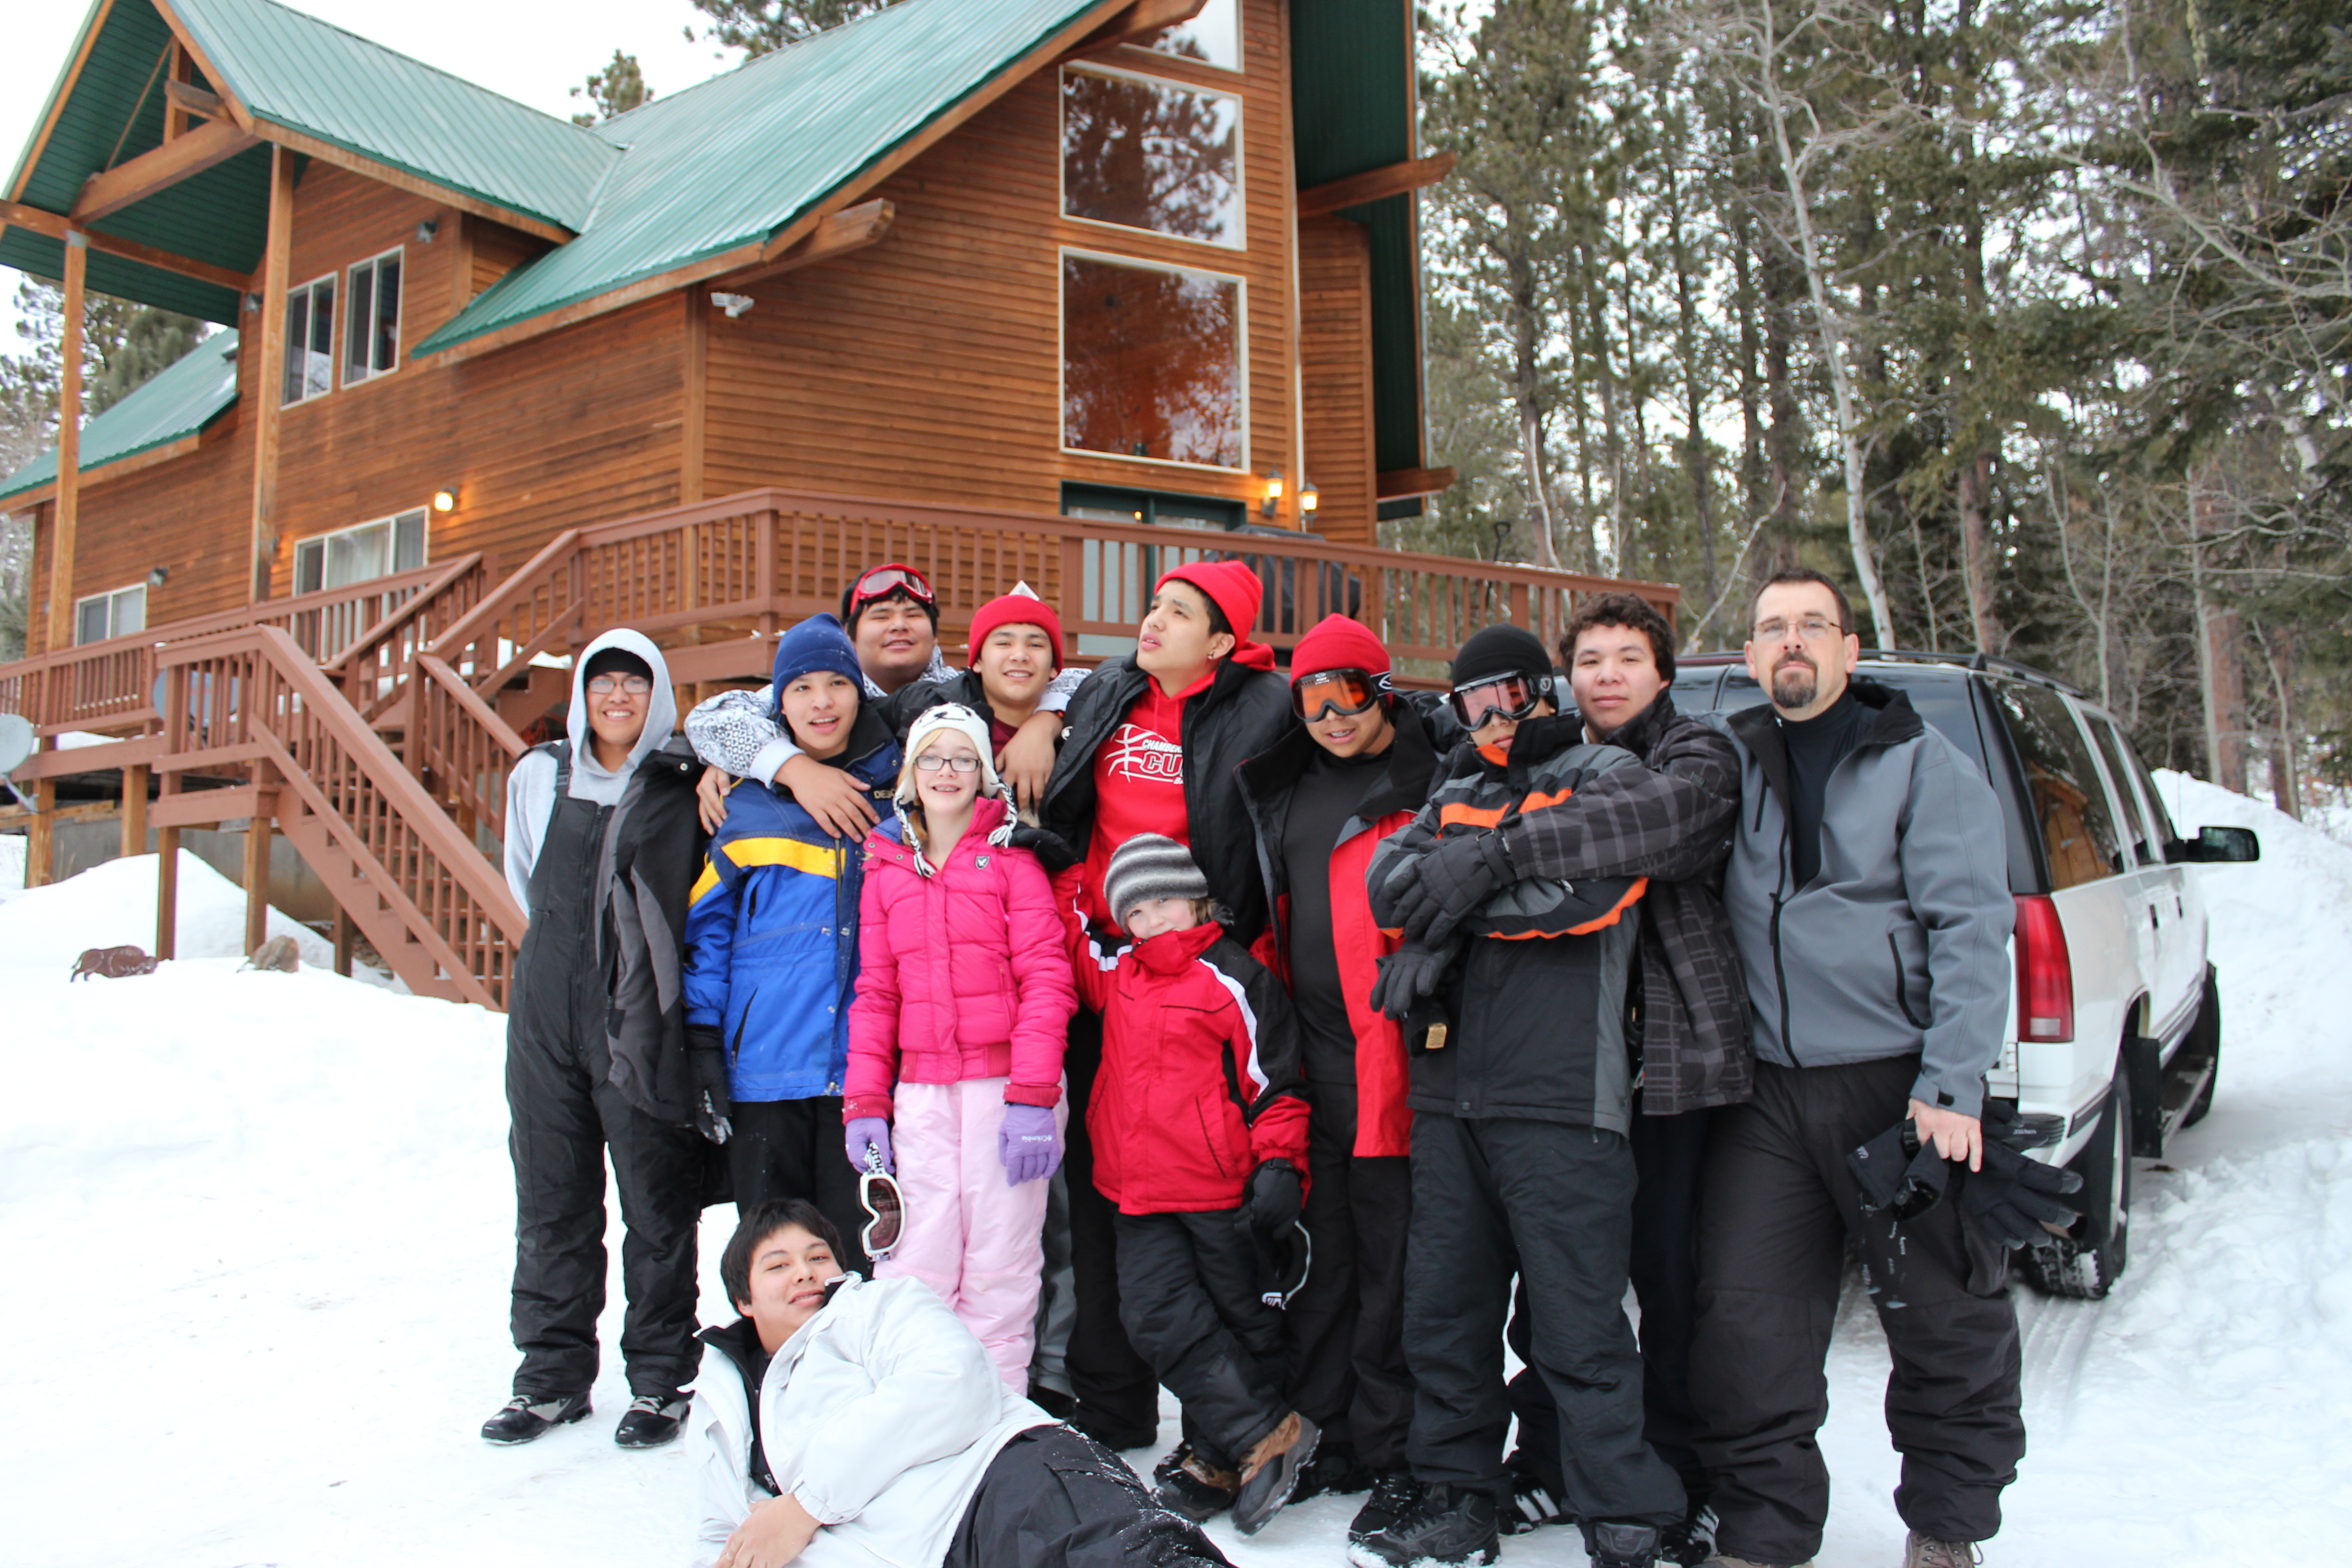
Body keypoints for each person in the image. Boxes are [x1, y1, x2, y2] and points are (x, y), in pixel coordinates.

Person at [1380, 593, 1747, 1564]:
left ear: (1540, 691)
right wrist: (1456, 884)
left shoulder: (1609, 770)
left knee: (1582, 1322)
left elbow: (1584, 893)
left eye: (1508, 693)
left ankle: (1627, 1507)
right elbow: (1392, 881)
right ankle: (1461, 1490)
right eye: (1472, 701)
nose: (1493, 714)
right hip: (1452, 1087)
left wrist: (1464, 892)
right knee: (1444, 1313)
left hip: (1568, 1091)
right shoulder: (1455, 783)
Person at [1686, 569, 2019, 1568]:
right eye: (1773, 628)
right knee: (1744, 1321)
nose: (1792, 643)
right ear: (1750, 657)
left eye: (1812, 627)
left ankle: (1948, 1529)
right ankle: (1764, 1531)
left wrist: (1953, 1082)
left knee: (1945, 1317)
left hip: (1899, 1085)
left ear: (1848, 648)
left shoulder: (1924, 760)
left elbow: (1972, 925)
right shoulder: (1732, 761)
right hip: (1767, 1093)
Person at [1031, 560, 1295, 1450]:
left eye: (1178, 613)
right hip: (1099, 977)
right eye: (1154, 606)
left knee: (1202, 1210)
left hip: (1195, 986)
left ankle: (1232, 1421)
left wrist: (1239, 955)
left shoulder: (1266, 704)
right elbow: (1037, 700)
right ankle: (1114, 1408)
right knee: (1106, 1197)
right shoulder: (1109, 689)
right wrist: (1039, 721)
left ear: (1224, 640)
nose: (1153, 622)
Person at [689, 1199, 1236, 1568]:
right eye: (778, 1266)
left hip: (1006, 1482)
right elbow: (727, 1536)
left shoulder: (875, 1305)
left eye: (818, 1257)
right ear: (743, 1300)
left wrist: (805, 1507)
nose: (806, 1273)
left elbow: (951, 1383)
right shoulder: (726, 1399)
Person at [1232, 613, 1442, 1543]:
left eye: (1350, 692)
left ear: (1383, 689)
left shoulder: (1427, 780)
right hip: (1309, 1055)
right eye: (1311, 698)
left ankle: (1397, 1446)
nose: (1330, 715)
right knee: (1324, 1258)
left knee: (1396, 1260)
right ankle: (1336, 1430)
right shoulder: (1281, 788)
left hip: (1397, 1056)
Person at [486, 630, 716, 1450]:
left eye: (634, 684)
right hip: (545, 1008)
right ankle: (549, 1376)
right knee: (551, 1196)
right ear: (581, 694)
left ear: (657, 695)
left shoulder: (680, 780)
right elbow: (524, 878)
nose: (617, 698)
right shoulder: (538, 775)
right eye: (601, 683)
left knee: (656, 1203)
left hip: (639, 1014)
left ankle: (660, 1379)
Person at [1055, 833, 1320, 1536]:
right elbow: (1076, 935)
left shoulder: (1233, 976)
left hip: (1218, 1188)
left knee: (1240, 1321)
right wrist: (1061, 866)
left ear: (1196, 896)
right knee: (1154, 1317)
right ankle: (1266, 1431)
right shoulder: (1121, 972)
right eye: (1136, 911)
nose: (1154, 920)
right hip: (1135, 1191)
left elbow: (1277, 1082)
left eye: (1166, 899)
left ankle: (1217, 1457)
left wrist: (1278, 1165)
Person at [843, 702, 1078, 1390]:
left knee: (1000, 1263)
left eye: (964, 758)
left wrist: (1035, 1097)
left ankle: (994, 1419)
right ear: (911, 772)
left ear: (984, 774)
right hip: (920, 1093)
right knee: (916, 1259)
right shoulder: (885, 867)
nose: (948, 771)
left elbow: (1046, 979)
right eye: (933, 757)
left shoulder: (1012, 861)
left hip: (1005, 1092)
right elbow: (876, 991)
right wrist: (865, 1104)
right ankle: (919, 1407)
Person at [685, 614, 903, 1275]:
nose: (821, 701)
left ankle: (852, 1374)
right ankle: (771, 1370)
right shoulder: (745, 806)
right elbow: (708, 935)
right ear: (778, 704)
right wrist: (701, 1042)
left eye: (837, 683)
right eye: (801, 687)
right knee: (772, 1252)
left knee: (856, 1252)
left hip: (864, 1074)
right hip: (764, 1072)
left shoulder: (899, 798)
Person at [686, 567, 1088, 839]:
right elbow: (712, 718)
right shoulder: (827, 690)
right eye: (881, 615)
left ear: (934, 633)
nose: (899, 624)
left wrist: (1046, 720)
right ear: (850, 633)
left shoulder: (962, 687)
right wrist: (789, 767)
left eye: (913, 614)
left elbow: (1081, 680)